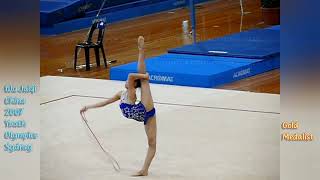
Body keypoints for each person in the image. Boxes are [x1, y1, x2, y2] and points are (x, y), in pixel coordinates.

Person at [80, 36, 157, 176]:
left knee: (152, 143)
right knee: (143, 80)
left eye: (130, 83)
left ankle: (144, 170)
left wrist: (144, 77)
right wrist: (88, 107)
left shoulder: (131, 92)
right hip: (140, 114)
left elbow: (132, 75)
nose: (127, 82)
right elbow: (105, 102)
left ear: (132, 85)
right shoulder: (121, 94)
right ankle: (141, 53)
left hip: (145, 110)